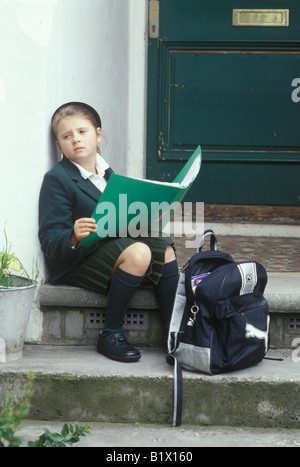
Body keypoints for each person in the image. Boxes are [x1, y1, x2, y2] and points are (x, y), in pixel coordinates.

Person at [39, 102, 179, 363]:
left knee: (164, 246)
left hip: (107, 246)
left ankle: (176, 335)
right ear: (59, 145)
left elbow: (117, 219)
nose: (76, 140)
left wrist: (146, 216)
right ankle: (111, 333)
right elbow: (48, 240)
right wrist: (72, 234)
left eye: (82, 132)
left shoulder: (107, 174)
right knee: (139, 252)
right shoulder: (57, 179)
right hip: (76, 261)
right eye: (66, 136)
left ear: (98, 135)